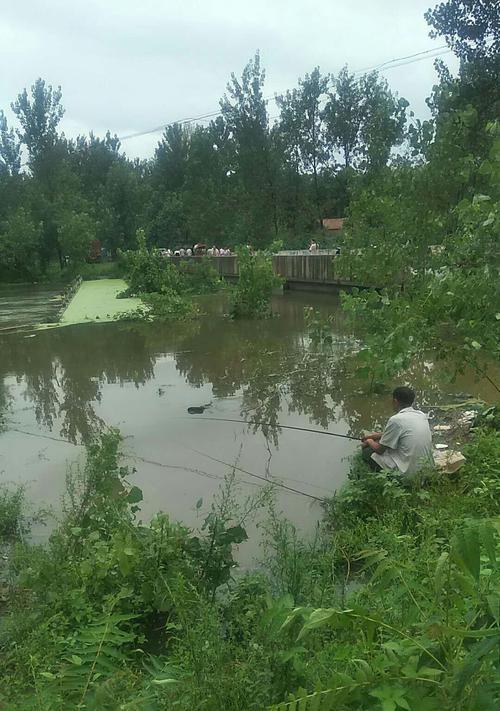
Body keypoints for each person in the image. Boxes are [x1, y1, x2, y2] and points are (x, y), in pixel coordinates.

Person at [361, 386, 433, 477]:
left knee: (368, 451)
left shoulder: (396, 420)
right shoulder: (421, 415)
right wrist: (375, 436)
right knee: (386, 444)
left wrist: (369, 441)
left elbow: (380, 450)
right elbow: (402, 432)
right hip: (426, 469)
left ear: (395, 401)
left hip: (408, 473)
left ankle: (386, 479)